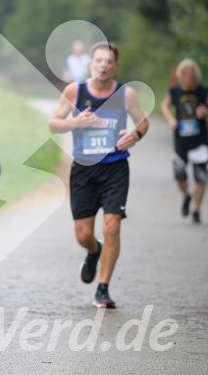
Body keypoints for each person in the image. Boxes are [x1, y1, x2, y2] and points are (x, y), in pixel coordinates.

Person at [49, 42, 149, 309]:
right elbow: (54, 123)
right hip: (83, 169)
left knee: (113, 225)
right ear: (90, 64)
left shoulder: (126, 94)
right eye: (98, 61)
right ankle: (94, 250)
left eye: (108, 61)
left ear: (115, 66)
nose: (103, 66)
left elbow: (143, 121)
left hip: (115, 167)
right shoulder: (74, 91)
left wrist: (135, 135)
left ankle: (103, 289)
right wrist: (75, 122)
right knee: (83, 234)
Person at [161, 58, 208, 224]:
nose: (189, 77)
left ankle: (196, 209)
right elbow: (164, 105)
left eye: (192, 74)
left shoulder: (203, 92)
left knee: (200, 177)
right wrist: (170, 119)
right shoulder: (174, 91)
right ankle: (186, 196)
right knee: (180, 176)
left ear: (196, 76)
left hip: (200, 140)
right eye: (185, 74)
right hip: (181, 140)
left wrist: (207, 112)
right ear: (180, 76)